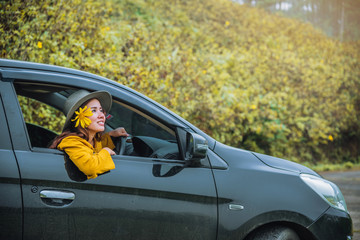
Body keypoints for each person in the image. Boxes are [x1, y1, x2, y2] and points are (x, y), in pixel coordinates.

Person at [50, 89, 128, 180]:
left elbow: (99, 145)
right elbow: (90, 167)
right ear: (79, 117)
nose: (102, 115)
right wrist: (106, 151)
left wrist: (112, 134)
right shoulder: (71, 142)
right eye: (94, 110)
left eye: (101, 110)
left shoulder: (92, 140)